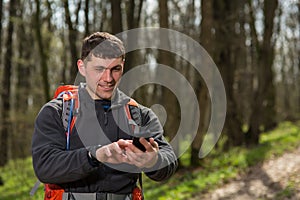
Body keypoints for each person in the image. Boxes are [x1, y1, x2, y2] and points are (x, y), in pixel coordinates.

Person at [32, 32, 178, 200]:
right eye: (99, 69)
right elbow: (44, 167)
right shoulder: (58, 112)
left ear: (123, 66)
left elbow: (169, 160)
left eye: (115, 69)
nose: (108, 78)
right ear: (82, 67)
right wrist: (95, 155)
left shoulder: (138, 114)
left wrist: (153, 161)